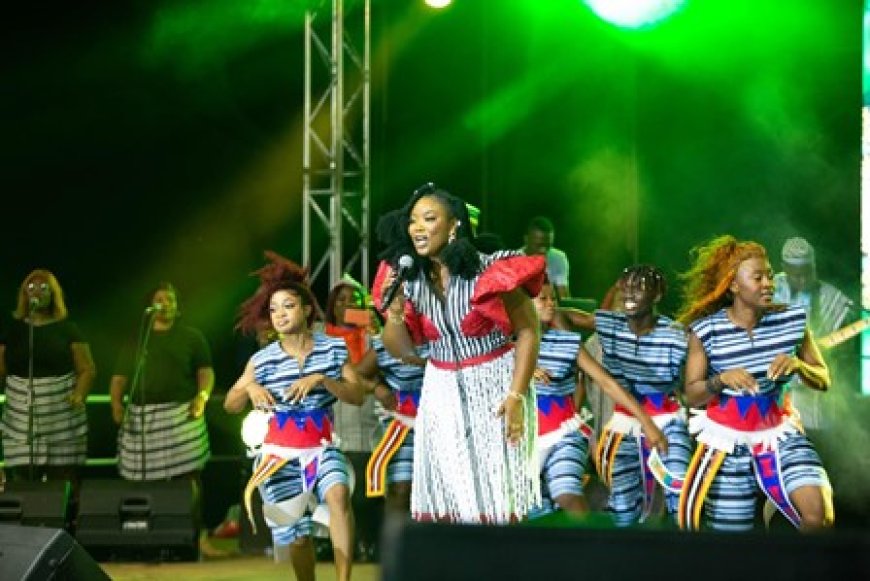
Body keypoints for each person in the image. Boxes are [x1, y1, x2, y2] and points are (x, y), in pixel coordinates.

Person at [373, 182, 544, 524]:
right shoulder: (408, 278)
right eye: (412, 221)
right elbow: (403, 351)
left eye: (428, 218)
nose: (417, 228)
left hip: (494, 386)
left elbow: (528, 330)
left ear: (454, 226)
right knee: (450, 492)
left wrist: (515, 396)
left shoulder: (489, 269)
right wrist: (393, 315)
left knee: (496, 495)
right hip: (441, 390)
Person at [676, 235, 834, 532]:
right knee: (729, 543)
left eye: (770, 276)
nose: (769, 284)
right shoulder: (706, 331)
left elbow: (824, 379)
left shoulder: (792, 320)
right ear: (734, 286)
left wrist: (800, 365)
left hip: (778, 432)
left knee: (818, 515)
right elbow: (692, 397)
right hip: (726, 441)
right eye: (758, 277)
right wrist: (719, 380)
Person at [224, 251, 365, 581]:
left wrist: (323, 380)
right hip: (279, 456)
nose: (279, 314)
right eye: (273, 309)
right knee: (299, 537)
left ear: (306, 309)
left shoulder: (333, 349)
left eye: (287, 306)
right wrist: (250, 388)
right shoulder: (262, 360)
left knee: (338, 494)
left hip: (320, 446)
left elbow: (357, 396)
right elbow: (230, 404)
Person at [551, 266, 690, 526]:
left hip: (666, 421)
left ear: (657, 295)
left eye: (639, 288)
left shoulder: (675, 335)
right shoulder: (609, 324)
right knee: (623, 507)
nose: (629, 294)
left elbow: (691, 386)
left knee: (679, 494)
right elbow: (560, 315)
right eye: (625, 287)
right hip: (623, 423)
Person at [530, 278, 667, 520]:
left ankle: (589, 546)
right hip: (525, 440)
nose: (551, 304)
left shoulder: (567, 341)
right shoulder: (504, 347)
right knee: (534, 508)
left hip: (564, 431)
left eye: (554, 298)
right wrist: (523, 370)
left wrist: (647, 422)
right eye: (543, 299)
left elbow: (607, 382)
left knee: (565, 491)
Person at [109, 282, 215, 551]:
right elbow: (119, 377)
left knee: (189, 477)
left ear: (177, 307)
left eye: (170, 299)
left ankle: (197, 535)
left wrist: (201, 398)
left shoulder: (192, 337)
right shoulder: (138, 339)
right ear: (150, 305)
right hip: (143, 417)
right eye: (159, 299)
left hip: (182, 415)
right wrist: (116, 405)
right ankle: (148, 536)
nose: (165, 303)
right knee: (142, 478)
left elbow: (206, 372)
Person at [0, 269, 96, 505]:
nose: (37, 292)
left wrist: (78, 395)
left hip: (60, 415)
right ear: (24, 294)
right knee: (21, 477)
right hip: (22, 417)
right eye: (31, 288)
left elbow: (87, 368)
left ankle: (65, 531)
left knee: (63, 480)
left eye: (44, 288)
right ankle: (26, 535)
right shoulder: (14, 330)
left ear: (53, 294)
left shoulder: (67, 329)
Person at [323, 281, 382, 562]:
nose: (348, 304)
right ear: (332, 306)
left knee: (366, 492)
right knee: (337, 490)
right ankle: (337, 543)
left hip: (369, 422)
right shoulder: (321, 338)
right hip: (333, 422)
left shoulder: (375, 338)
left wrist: (377, 333)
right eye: (342, 299)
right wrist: (367, 385)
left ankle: (369, 541)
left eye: (356, 300)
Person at [773, 236, 856, 434]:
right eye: (795, 275)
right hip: (776, 400)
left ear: (814, 267)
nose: (802, 280)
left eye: (807, 274)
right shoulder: (770, 290)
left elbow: (846, 358)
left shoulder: (833, 300)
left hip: (818, 403)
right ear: (784, 267)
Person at [520, 216, 571, 299]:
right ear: (526, 239)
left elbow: (564, 297)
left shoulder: (559, 258)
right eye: (538, 245)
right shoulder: (513, 262)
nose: (543, 250)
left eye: (548, 246)